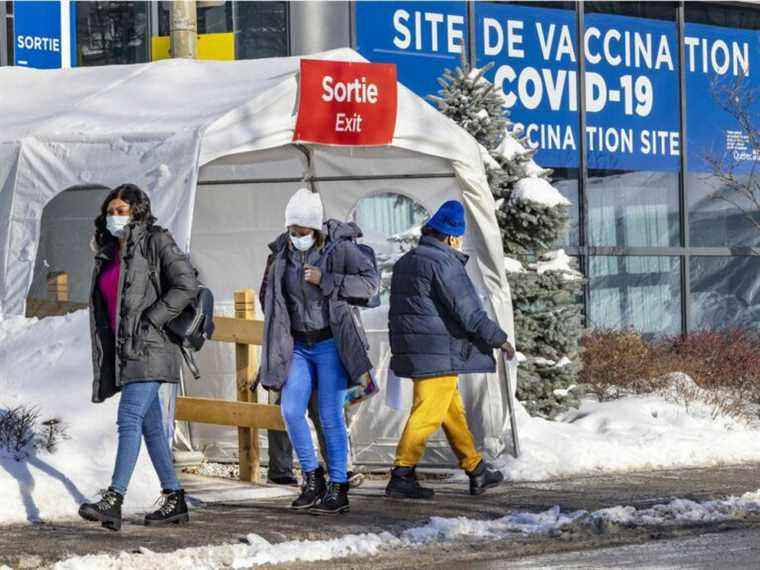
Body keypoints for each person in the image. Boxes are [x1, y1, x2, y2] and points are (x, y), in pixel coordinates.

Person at [79, 184, 200, 531]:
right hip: (127, 350)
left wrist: (153, 319)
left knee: (128, 418)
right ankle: (174, 497)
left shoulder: (155, 241)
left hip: (153, 345)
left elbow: (187, 284)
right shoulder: (108, 253)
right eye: (110, 211)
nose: (114, 217)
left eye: (121, 210)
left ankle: (114, 499)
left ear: (137, 212)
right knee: (150, 427)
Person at [259, 188, 379, 515]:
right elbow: (268, 297)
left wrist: (327, 279)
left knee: (329, 415)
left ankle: (338, 485)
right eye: (292, 231)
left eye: (302, 232)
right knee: (291, 410)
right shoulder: (281, 254)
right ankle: (313, 478)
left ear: (316, 229)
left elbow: (370, 285)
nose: (296, 237)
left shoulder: (340, 250)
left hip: (330, 343)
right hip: (297, 344)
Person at [386, 200, 515, 500]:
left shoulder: (408, 260)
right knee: (427, 414)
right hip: (437, 351)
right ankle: (401, 474)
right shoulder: (444, 263)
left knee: (451, 411)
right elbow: (469, 311)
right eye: (459, 237)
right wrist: (499, 339)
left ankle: (476, 469)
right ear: (452, 237)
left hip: (418, 349)